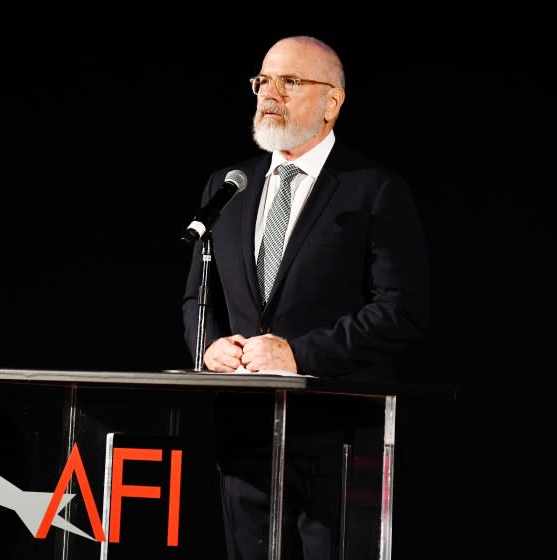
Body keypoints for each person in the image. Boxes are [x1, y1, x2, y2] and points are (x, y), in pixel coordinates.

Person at [181, 36, 430, 560]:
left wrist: (300, 355)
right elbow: (197, 299)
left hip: (337, 438)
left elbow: (399, 311)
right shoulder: (230, 184)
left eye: (290, 82)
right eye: (262, 81)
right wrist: (208, 347)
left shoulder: (371, 189)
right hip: (245, 435)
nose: (269, 93)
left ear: (332, 102)